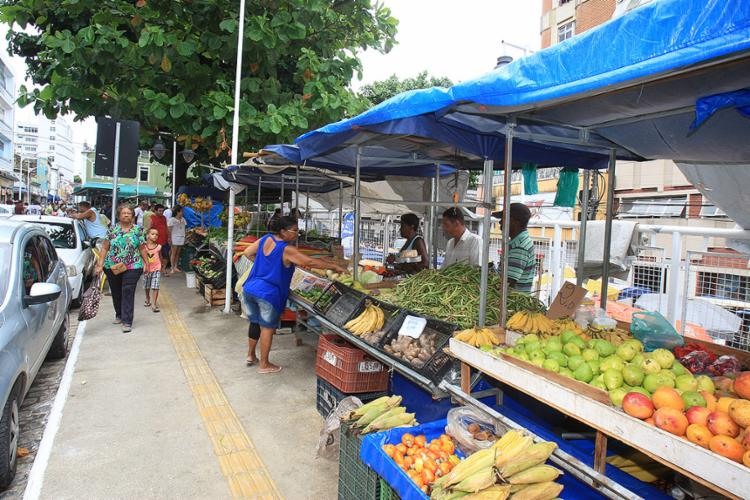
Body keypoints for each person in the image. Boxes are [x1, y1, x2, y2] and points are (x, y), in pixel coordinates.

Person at [240, 216, 346, 373]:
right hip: (268, 293)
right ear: (283, 231)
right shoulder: (286, 249)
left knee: (255, 322)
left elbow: (247, 252)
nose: (297, 233)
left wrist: (264, 267)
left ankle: (251, 356)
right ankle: (264, 365)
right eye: (294, 230)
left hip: (250, 288)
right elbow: (309, 262)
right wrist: (333, 266)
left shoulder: (266, 239)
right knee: (267, 328)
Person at [95, 205, 148, 333]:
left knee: (128, 290)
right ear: (119, 216)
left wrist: (147, 263)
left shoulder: (138, 230)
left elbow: (141, 247)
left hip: (133, 265)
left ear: (132, 216)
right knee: (116, 291)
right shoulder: (112, 230)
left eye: (129, 213)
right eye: (123, 213)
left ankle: (127, 320)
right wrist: (100, 264)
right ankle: (119, 314)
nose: (126, 215)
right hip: (112, 266)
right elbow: (105, 247)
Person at [493, 203, 536, 294]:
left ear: (513, 221)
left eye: (503, 219)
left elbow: (508, 283)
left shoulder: (520, 247)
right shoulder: (518, 242)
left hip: (511, 304)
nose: (500, 222)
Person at [143, 228, 162, 312]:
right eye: (153, 234)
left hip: (157, 268)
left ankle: (154, 304)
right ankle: (147, 298)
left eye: (157, 234)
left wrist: (162, 267)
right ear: (147, 235)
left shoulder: (159, 247)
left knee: (155, 286)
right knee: (147, 286)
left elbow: (160, 257)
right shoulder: (143, 246)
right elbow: (141, 257)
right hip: (146, 269)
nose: (155, 236)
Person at [148, 204, 170, 272]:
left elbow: (166, 227)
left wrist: (169, 237)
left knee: (165, 255)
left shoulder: (164, 217)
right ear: (155, 211)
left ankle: (163, 269)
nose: (161, 212)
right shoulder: (151, 218)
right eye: (159, 211)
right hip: (156, 240)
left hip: (164, 240)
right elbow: (148, 229)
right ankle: (158, 268)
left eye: (162, 211)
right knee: (156, 255)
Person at [167, 206, 187, 274]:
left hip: (181, 237)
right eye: (181, 211)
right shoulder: (172, 220)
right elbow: (169, 230)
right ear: (177, 212)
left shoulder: (183, 219)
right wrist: (169, 239)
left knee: (178, 253)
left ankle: (175, 266)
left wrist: (185, 237)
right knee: (173, 253)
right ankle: (172, 267)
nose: (182, 213)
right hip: (174, 237)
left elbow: (184, 229)